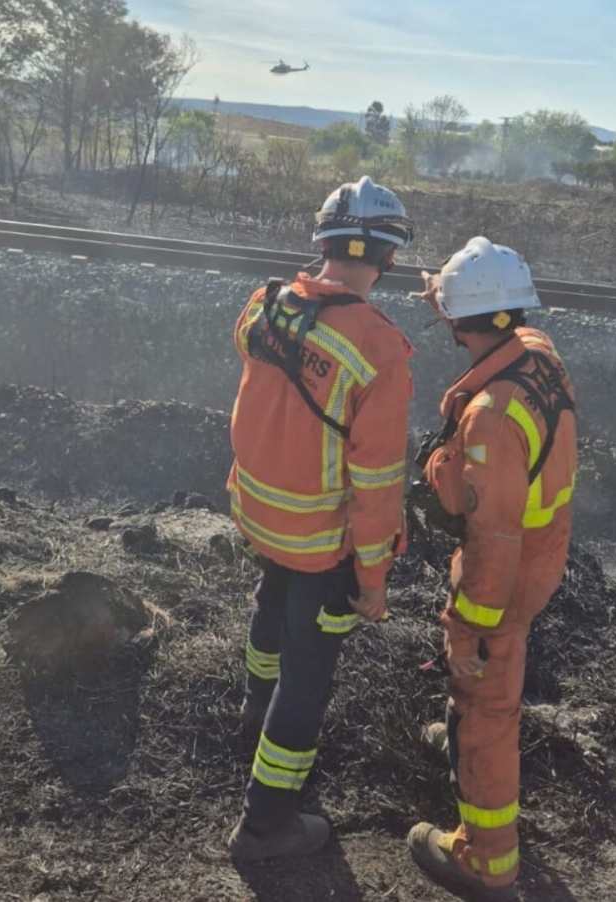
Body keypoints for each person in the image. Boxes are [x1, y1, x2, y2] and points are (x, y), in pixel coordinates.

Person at [225, 176, 416, 860]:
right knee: (307, 679)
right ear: (389, 257)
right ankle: (265, 823)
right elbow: (376, 480)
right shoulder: (379, 348)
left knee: (267, 609)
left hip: (260, 513)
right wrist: (373, 577)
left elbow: (259, 375)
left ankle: (253, 713)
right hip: (321, 540)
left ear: (324, 240)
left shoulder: (265, 303)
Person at [407, 237, 577, 901]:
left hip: (504, 575)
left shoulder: (492, 419)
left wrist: (473, 628)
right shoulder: (536, 351)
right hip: (538, 551)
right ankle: (458, 726)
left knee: (488, 700)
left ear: (456, 321)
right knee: (478, 689)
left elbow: (495, 535)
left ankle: (486, 860)